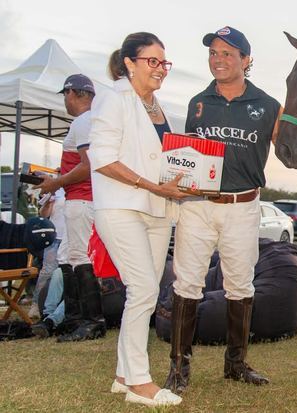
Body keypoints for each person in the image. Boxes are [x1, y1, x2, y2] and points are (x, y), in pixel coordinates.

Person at [165, 25, 297, 395]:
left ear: (246, 61)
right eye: (213, 53)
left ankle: (236, 364)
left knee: (240, 285)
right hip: (198, 207)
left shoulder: (266, 105)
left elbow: (289, 155)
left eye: (227, 53)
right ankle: (179, 369)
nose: (218, 59)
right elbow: (186, 159)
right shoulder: (198, 102)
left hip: (243, 207)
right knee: (186, 284)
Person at [88, 32, 187, 407]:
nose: (161, 69)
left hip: (158, 210)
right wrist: (152, 185)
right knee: (143, 288)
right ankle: (139, 384)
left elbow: (161, 158)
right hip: (121, 206)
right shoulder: (113, 98)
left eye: (165, 63)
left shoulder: (158, 107)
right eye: (153, 61)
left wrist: (182, 181)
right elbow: (103, 158)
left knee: (143, 290)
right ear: (130, 63)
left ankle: (122, 374)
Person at [34, 74, 106, 342]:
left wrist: (56, 182)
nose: (65, 100)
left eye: (65, 94)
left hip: (83, 199)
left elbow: (88, 165)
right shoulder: (88, 121)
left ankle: (92, 321)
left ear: (73, 93)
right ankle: (74, 317)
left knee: (81, 258)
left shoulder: (84, 121)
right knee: (68, 258)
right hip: (79, 199)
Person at [28, 187, 66, 320]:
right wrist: (48, 202)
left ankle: (56, 307)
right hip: (55, 238)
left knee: (64, 274)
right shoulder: (56, 190)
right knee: (47, 272)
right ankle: (36, 304)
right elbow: (43, 215)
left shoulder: (81, 188)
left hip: (72, 237)